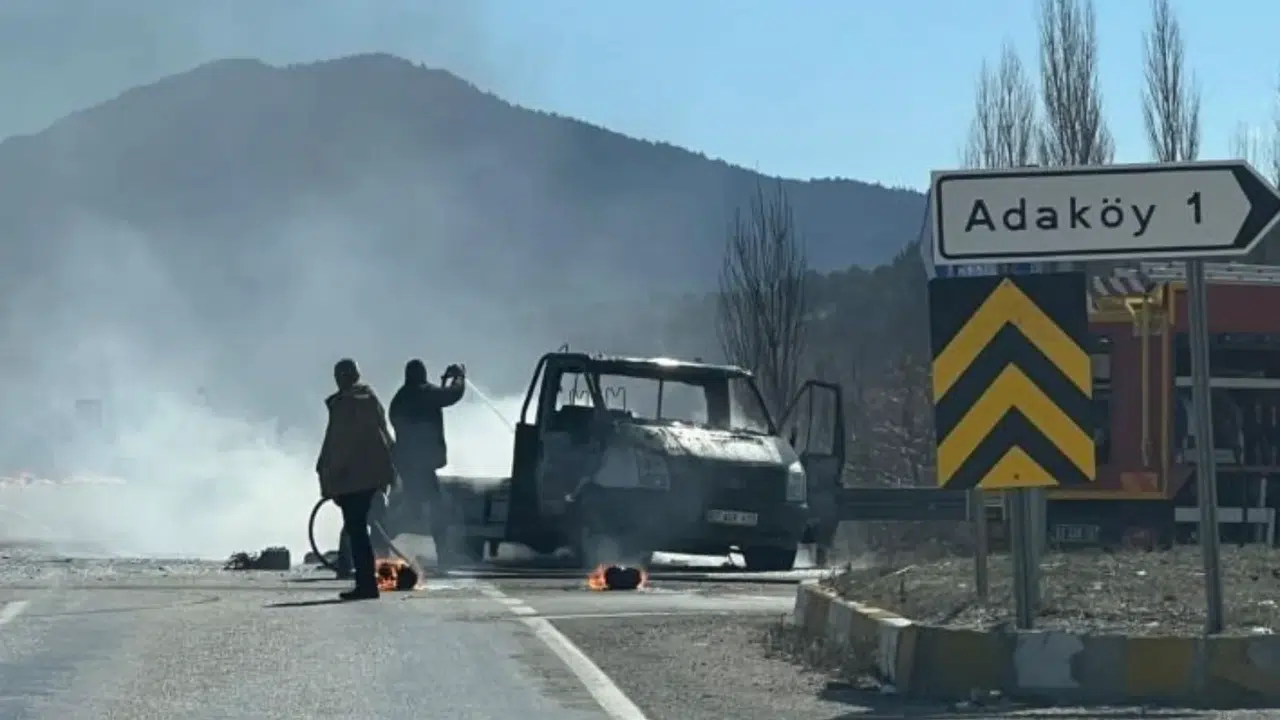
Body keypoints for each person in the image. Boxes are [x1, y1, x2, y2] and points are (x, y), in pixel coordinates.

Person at [316, 358, 397, 601]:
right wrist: (388, 473)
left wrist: (329, 478)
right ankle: (370, 580)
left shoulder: (345, 405)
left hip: (351, 479)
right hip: (372, 477)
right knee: (365, 530)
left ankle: (366, 584)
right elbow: (385, 436)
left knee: (357, 531)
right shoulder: (370, 400)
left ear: (342, 377)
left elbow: (339, 447)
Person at [388, 359, 466, 566]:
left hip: (405, 462)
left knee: (413, 506)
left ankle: (379, 540)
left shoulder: (400, 398)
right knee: (435, 507)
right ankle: (444, 556)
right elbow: (452, 395)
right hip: (422, 464)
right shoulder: (425, 393)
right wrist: (459, 377)